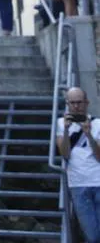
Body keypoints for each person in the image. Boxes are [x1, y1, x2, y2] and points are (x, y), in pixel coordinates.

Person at [56, 87, 100, 243]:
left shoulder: (98, 123)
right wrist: (67, 131)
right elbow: (65, 154)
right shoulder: (61, 124)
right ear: (67, 104)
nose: (76, 106)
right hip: (78, 184)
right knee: (93, 235)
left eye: (79, 102)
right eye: (72, 103)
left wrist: (89, 135)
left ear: (86, 103)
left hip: (98, 181)